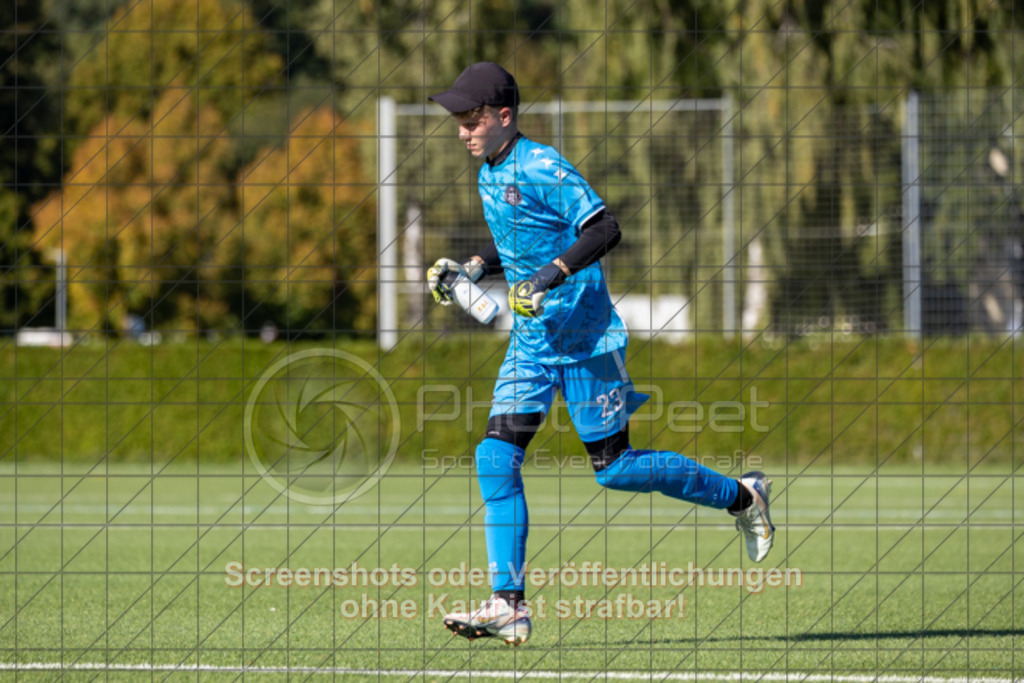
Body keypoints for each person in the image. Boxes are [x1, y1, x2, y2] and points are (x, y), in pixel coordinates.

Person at [425, 62, 774, 646]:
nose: (463, 131)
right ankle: (509, 604)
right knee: (494, 459)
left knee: (614, 469)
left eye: (473, 119)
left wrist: (549, 276)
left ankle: (742, 495)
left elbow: (603, 227)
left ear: (505, 117)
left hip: (587, 343)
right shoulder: (490, 171)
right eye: (459, 122)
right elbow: (519, 233)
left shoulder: (540, 162)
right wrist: (475, 267)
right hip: (532, 347)